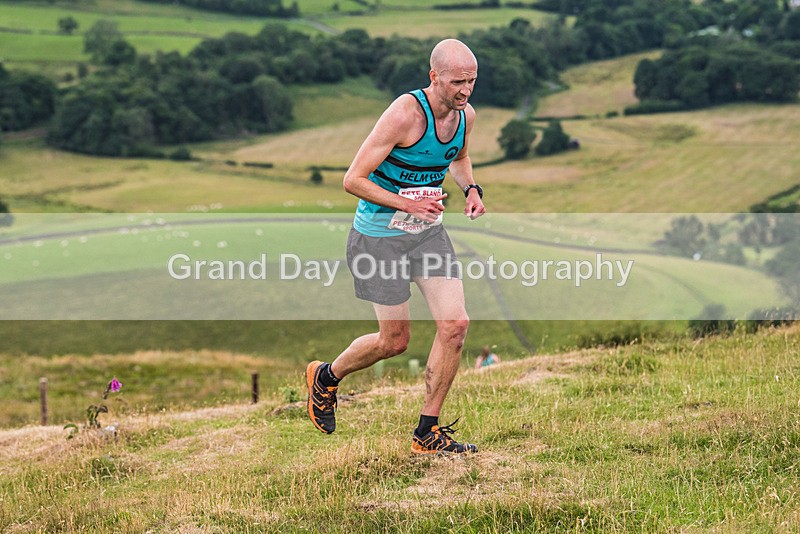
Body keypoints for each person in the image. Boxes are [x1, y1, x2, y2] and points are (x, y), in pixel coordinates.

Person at [306, 38, 486, 455]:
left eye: (472, 81)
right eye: (457, 82)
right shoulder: (404, 114)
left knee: (455, 325)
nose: (465, 90)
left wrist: (471, 189)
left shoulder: (465, 116)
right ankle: (327, 377)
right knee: (394, 342)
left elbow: (458, 158)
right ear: (434, 76)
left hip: (426, 234)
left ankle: (427, 432)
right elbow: (353, 180)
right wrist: (409, 203)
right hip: (378, 238)